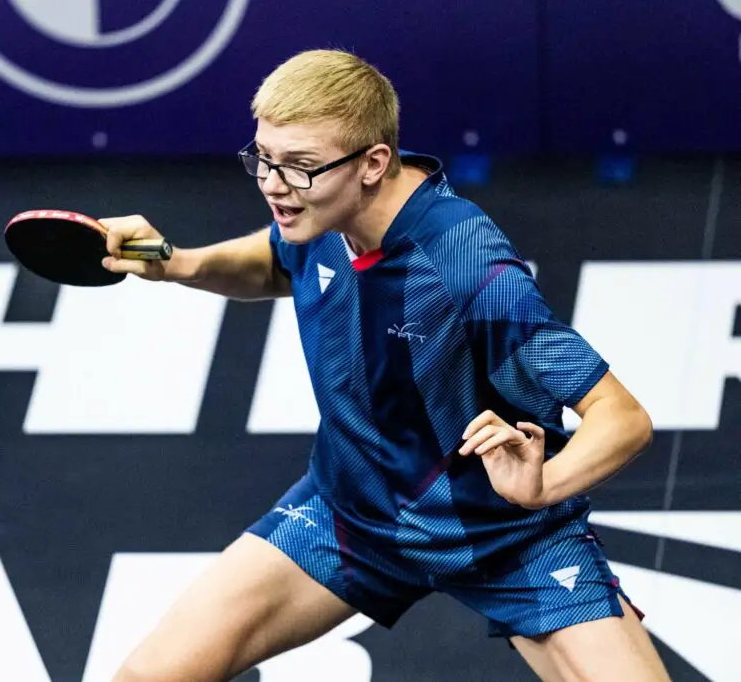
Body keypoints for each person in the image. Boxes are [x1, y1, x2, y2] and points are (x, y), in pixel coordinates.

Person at [99, 49, 671, 682]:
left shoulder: (468, 266)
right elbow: (276, 261)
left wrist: (544, 484)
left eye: (298, 166)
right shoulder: (319, 209)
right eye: (262, 157)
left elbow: (623, 417)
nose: (272, 184)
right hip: (353, 511)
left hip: (505, 533)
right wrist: (179, 262)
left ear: (373, 163)